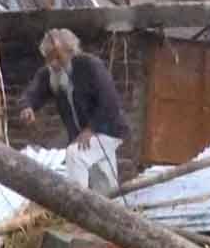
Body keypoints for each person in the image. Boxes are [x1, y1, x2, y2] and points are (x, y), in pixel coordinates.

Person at [19, 29, 130, 193]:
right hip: (81, 135)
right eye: (49, 58)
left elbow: (109, 101)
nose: (54, 63)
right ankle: (109, 210)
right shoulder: (50, 74)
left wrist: (91, 129)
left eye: (58, 57)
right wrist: (27, 106)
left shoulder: (90, 66)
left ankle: (77, 205)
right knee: (104, 181)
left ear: (71, 51)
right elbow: (33, 91)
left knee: (75, 155)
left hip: (107, 129)